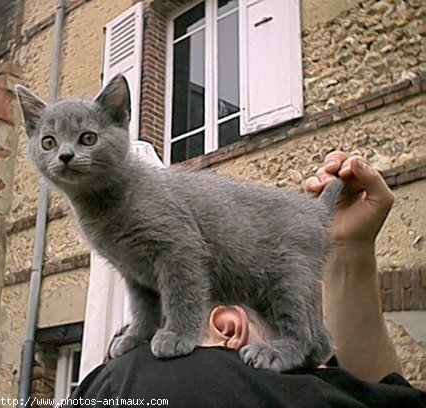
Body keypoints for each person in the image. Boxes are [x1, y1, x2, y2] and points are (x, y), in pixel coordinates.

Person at [70, 152, 425, 407]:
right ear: (228, 325)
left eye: (325, 367)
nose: (330, 371)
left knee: (288, 298)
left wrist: (348, 248)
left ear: (228, 325)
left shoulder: (113, 384)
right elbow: (384, 397)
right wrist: (351, 253)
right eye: (325, 367)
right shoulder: (281, 391)